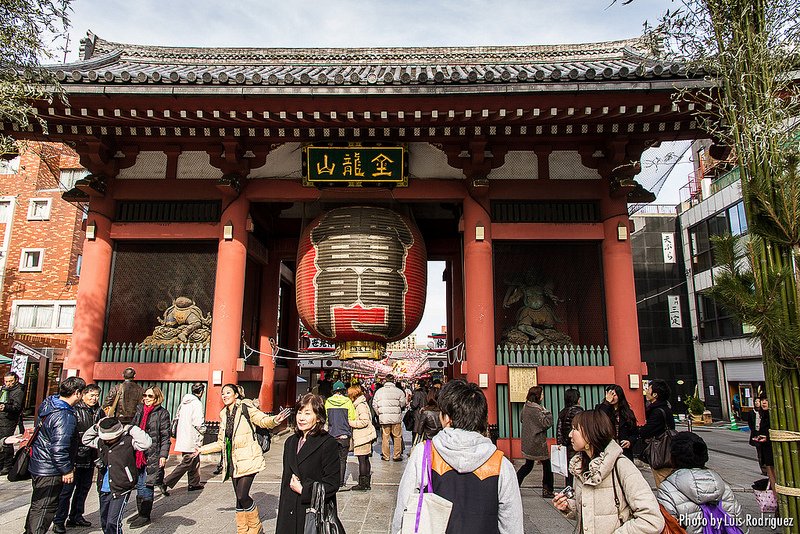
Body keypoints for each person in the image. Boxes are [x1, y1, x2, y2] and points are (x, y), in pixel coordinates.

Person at [392, 379, 523, 534]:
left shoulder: (425, 453)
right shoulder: (500, 463)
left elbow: (404, 507)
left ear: (447, 418)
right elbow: (511, 523)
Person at [196, 383, 290, 534]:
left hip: (248, 457)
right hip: (233, 461)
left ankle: (255, 527)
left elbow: (262, 420)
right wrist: (201, 449)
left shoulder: (246, 407)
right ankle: (242, 530)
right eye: (222, 393)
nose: (224, 396)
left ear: (236, 395)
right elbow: (221, 442)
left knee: (242, 494)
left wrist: (275, 420)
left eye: (228, 392)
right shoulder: (224, 415)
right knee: (238, 498)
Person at [552, 410, 664, 534]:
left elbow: (652, 520)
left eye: (575, 429)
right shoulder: (580, 467)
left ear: (590, 433)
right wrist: (569, 506)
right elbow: (597, 512)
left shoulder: (621, 465)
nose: (570, 435)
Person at [25, 376, 86, 534]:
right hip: (50, 468)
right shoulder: (64, 415)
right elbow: (59, 447)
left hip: (39, 462)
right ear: (77, 393)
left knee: (38, 505)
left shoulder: (49, 404)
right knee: (45, 507)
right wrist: (66, 469)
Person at [275, 393, 343, 534]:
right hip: (289, 511)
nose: (301, 418)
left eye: (307, 413)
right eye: (299, 412)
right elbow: (285, 481)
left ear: (318, 418)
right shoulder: (291, 442)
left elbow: (332, 484)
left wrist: (303, 490)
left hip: (311, 513)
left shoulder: (327, 443)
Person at [657, 432, 746, 534]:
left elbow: (668, 528)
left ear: (673, 458)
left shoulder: (667, 489)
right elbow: (741, 526)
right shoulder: (724, 487)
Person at [82, 417, 152, 534]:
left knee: (113, 522)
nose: (108, 441)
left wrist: (131, 428)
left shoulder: (128, 441)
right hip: (103, 488)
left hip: (121, 487)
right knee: (104, 521)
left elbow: (146, 443)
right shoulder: (100, 442)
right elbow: (85, 440)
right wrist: (96, 427)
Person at [53, 383, 104, 532]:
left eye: (96, 395)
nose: (94, 398)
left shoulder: (99, 411)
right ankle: (59, 520)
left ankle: (76, 515)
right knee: (66, 491)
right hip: (75, 456)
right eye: (91, 395)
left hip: (90, 456)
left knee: (83, 489)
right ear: (83, 394)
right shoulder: (75, 410)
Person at [127, 386, 171, 529]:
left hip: (153, 453)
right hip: (138, 453)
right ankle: (141, 512)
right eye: (145, 395)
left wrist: (163, 455)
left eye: (150, 396)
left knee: (147, 484)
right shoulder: (140, 410)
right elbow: (132, 429)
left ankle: (145, 515)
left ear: (157, 398)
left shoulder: (162, 413)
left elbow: (165, 436)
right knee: (139, 483)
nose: (146, 398)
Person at [164, 382, 206, 492]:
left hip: (183, 436)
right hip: (192, 437)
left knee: (194, 461)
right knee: (187, 462)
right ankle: (167, 481)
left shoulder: (183, 403)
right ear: (201, 392)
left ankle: (194, 483)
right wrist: (204, 430)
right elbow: (198, 422)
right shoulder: (197, 403)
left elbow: (177, 418)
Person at [517, 385, 554, 497]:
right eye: (541, 394)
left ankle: (514, 484)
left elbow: (521, 419)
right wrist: (547, 412)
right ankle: (547, 490)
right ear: (538, 395)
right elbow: (546, 423)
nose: (543, 396)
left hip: (527, 441)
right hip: (537, 442)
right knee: (547, 466)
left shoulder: (525, 407)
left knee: (528, 465)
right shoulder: (537, 409)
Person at [638, 379, 676, 487]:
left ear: (655, 394)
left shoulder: (657, 411)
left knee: (662, 482)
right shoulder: (665, 408)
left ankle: (664, 503)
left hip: (661, 452)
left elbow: (648, 430)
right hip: (667, 450)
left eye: (649, 389)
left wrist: (638, 430)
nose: (646, 391)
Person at [324, 380, 356, 487]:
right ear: (343, 391)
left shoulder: (328, 402)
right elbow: (352, 418)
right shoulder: (348, 402)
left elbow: (326, 419)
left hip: (331, 435)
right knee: (343, 460)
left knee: (332, 460)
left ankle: (332, 480)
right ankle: (340, 482)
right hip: (344, 435)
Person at [596, 384, 638, 460]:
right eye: (609, 395)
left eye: (614, 395)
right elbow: (599, 419)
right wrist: (607, 402)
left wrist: (630, 441)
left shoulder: (627, 412)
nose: (612, 397)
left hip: (624, 451)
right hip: (607, 450)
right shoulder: (602, 408)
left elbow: (634, 432)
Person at [347, 383, 376, 491]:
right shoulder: (361, 404)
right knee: (365, 459)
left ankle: (363, 484)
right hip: (364, 435)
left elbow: (364, 421)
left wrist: (351, 423)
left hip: (362, 436)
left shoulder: (360, 406)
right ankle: (366, 483)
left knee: (362, 460)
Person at [371, 374, 407, 462]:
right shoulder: (399, 391)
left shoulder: (379, 391)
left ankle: (386, 456)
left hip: (384, 418)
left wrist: (379, 413)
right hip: (396, 418)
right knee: (397, 436)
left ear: (385, 381)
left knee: (385, 437)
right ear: (393, 380)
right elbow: (403, 403)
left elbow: (374, 404)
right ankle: (396, 455)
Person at [556, 388, 583, 488]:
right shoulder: (578, 411)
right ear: (577, 399)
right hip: (576, 443)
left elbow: (559, 428)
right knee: (577, 467)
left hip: (565, 444)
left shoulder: (563, 412)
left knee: (568, 469)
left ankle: (568, 488)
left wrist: (560, 442)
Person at [0, 371, 25, 475]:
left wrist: (5, 407)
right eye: (6, 381)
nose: (8, 383)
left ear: (16, 380)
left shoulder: (19, 391)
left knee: (6, 441)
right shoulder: (4, 389)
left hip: (9, 419)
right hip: (1, 417)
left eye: (10, 381)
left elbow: (17, 407)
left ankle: (7, 465)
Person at [750, 393, 775, 490]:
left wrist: (767, 438)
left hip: (775, 452)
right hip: (766, 451)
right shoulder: (763, 415)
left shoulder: (774, 416)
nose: (763, 402)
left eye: (766, 400)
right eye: (762, 400)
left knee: (776, 476)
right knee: (771, 476)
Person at [747, 396, 764, 467]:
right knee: (759, 452)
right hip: (756, 433)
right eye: (755, 402)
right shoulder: (751, 412)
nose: (757, 403)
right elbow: (750, 423)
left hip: (763, 433)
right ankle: (762, 467)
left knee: (765, 452)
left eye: (758, 401)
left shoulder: (764, 412)